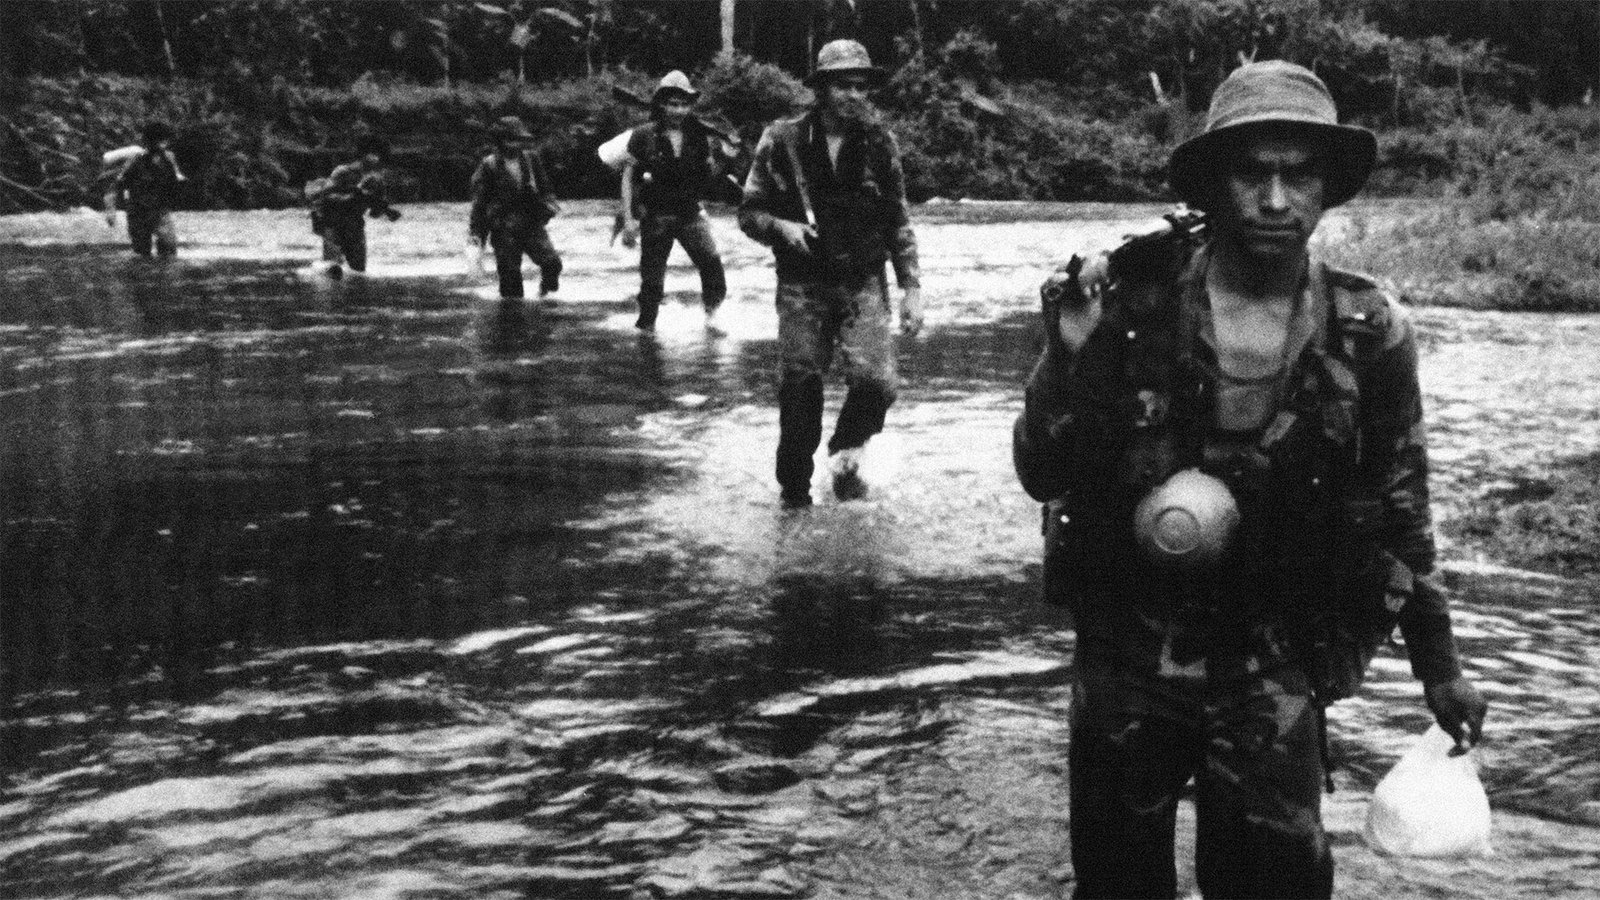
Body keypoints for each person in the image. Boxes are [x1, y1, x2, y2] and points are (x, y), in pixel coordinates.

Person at [1012, 60, 1487, 898]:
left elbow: (1400, 506)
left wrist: (1439, 666)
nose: (1274, 200)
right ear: (1212, 184)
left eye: (1298, 175)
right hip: (1128, 649)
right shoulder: (1131, 301)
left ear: (1327, 187)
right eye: (1250, 173)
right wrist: (1065, 356)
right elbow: (1041, 469)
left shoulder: (1368, 330)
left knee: (1275, 882)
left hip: (1276, 651)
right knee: (1117, 883)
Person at [739, 39, 923, 509]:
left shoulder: (880, 143)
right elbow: (748, 213)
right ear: (821, 89)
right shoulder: (782, 139)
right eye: (843, 85)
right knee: (800, 387)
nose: (854, 94)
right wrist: (781, 227)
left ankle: (844, 455)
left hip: (862, 280)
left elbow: (897, 219)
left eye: (861, 86)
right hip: (802, 284)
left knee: (878, 384)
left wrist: (911, 288)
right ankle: (794, 494)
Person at [617, 71, 731, 332]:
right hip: (655, 216)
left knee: (713, 267)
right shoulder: (643, 135)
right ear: (661, 105)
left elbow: (708, 178)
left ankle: (712, 323)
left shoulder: (698, 136)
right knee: (652, 285)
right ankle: (645, 333)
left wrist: (725, 158)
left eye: (684, 105)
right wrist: (629, 220)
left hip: (690, 214)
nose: (679, 111)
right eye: (673, 104)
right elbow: (628, 179)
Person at [468, 115, 563, 303]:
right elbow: (479, 205)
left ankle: (546, 299)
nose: (515, 145)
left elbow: (546, 189)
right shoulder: (488, 166)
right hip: (503, 229)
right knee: (510, 283)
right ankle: (511, 315)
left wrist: (549, 205)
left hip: (531, 224)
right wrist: (476, 236)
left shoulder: (531, 159)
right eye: (511, 140)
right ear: (500, 141)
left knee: (552, 263)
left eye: (518, 140)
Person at [306, 134, 401, 278]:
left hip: (355, 226)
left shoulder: (377, 182)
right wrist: (354, 195)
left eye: (378, 155)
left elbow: (374, 213)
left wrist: (386, 211)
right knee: (333, 267)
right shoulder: (343, 172)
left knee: (358, 272)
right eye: (372, 154)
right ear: (363, 155)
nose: (375, 159)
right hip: (332, 223)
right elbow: (325, 197)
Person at [105, 120, 185, 258]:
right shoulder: (136, 160)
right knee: (142, 253)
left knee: (169, 249)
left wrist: (178, 183)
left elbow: (176, 178)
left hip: (160, 210)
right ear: (148, 142)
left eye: (163, 141)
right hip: (138, 212)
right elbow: (115, 186)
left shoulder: (169, 158)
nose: (160, 146)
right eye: (156, 142)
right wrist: (110, 210)